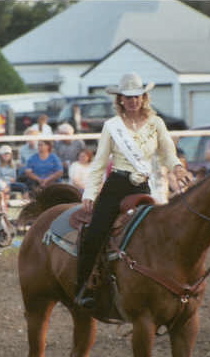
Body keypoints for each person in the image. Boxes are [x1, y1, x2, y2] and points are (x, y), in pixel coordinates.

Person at [75, 72, 185, 308]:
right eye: (128, 97)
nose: (133, 101)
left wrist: (176, 167)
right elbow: (100, 162)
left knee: (159, 234)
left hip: (143, 186)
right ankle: (84, 288)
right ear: (121, 100)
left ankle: (162, 283)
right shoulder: (112, 127)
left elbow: (167, 152)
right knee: (95, 233)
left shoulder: (156, 124)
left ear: (144, 98)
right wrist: (90, 193)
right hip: (116, 185)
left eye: (137, 96)